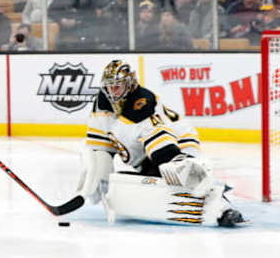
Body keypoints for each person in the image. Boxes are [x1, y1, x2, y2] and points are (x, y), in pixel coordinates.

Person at [76, 60, 246, 227]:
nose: (112, 92)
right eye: (109, 86)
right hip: (145, 153)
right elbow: (100, 146)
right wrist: (97, 168)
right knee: (157, 177)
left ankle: (223, 208)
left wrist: (176, 164)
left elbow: (163, 148)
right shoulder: (101, 106)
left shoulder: (141, 105)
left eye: (117, 86)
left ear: (129, 84)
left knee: (179, 172)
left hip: (179, 141)